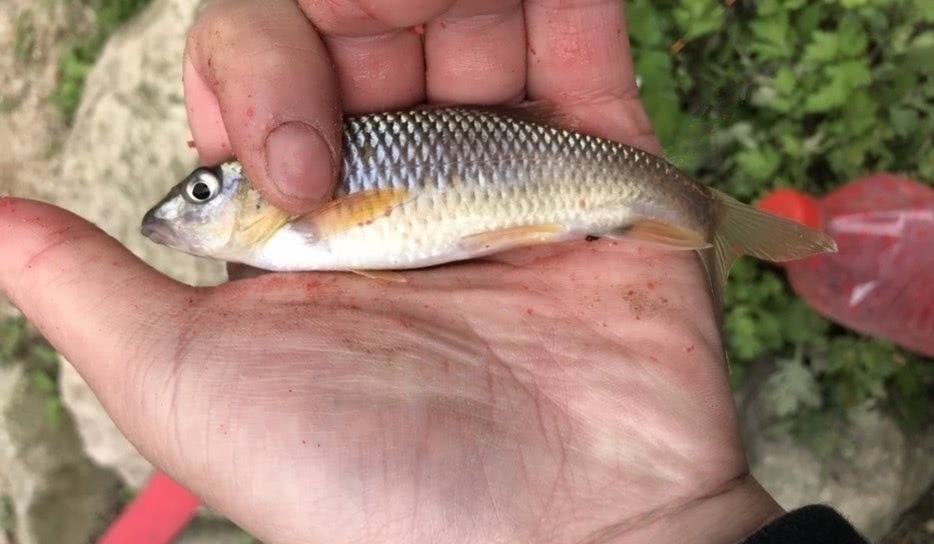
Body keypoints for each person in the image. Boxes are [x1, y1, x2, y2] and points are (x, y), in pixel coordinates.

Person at [0, 1, 868, 542]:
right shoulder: (283, 246)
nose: (177, 219)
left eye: (199, 193)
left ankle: (716, 223)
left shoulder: (291, 220)